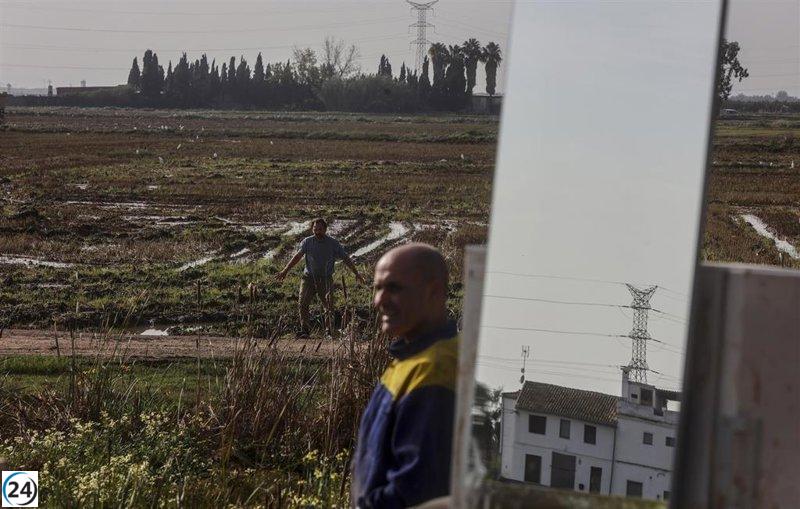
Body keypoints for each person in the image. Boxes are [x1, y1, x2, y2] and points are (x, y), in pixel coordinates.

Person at [352, 243, 458, 508]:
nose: (379, 301)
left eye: (394, 288)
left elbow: (415, 491)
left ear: (433, 292)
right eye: (377, 288)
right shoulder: (411, 358)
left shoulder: (435, 369)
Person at [276, 217, 365, 336]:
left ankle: (328, 330)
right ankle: (305, 329)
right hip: (308, 278)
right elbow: (297, 257)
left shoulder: (333, 243)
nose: (317, 231)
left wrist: (357, 273)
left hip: (325, 279)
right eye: (315, 229)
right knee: (302, 303)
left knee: (328, 306)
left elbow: (346, 258)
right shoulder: (307, 242)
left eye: (320, 229)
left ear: (325, 229)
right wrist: (285, 270)